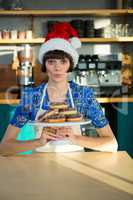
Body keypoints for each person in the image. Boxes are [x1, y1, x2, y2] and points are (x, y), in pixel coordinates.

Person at [0, 22, 118, 156]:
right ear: (44, 65)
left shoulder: (83, 95)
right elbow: (4, 147)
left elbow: (112, 144)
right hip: (39, 165)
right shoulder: (31, 97)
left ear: (70, 65)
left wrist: (75, 139)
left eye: (63, 62)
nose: (57, 68)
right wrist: (39, 142)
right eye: (51, 62)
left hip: (77, 165)